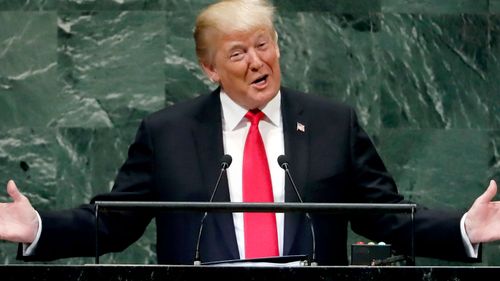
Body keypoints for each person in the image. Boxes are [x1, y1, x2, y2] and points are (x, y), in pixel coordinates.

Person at [1, 0, 499, 265]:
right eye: (238, 53)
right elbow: (112, 223)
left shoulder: (332, 123)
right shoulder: (168, 132)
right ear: (209, 69)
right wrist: (36, 228)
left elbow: (385, 216)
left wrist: (465, 230)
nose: (257, 62)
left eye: (263, 44)